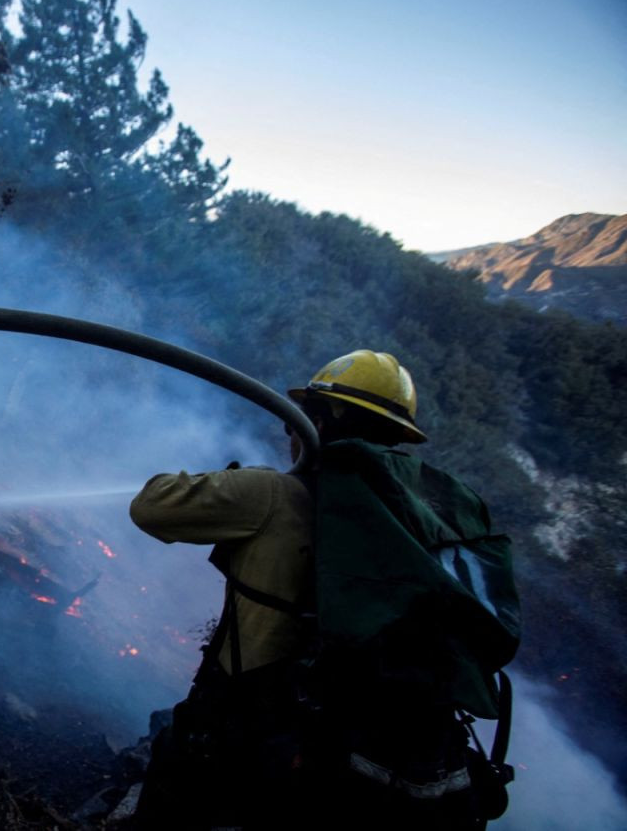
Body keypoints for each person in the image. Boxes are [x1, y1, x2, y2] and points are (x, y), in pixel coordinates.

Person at [128, 349, 511, 830]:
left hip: (255, 728)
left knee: (174, 781)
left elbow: (150, 506)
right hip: (378, 756)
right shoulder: (429, 519)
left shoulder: (273, 493)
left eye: (301, 419)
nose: (292, 432)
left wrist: (239, 482)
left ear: (320, 422)